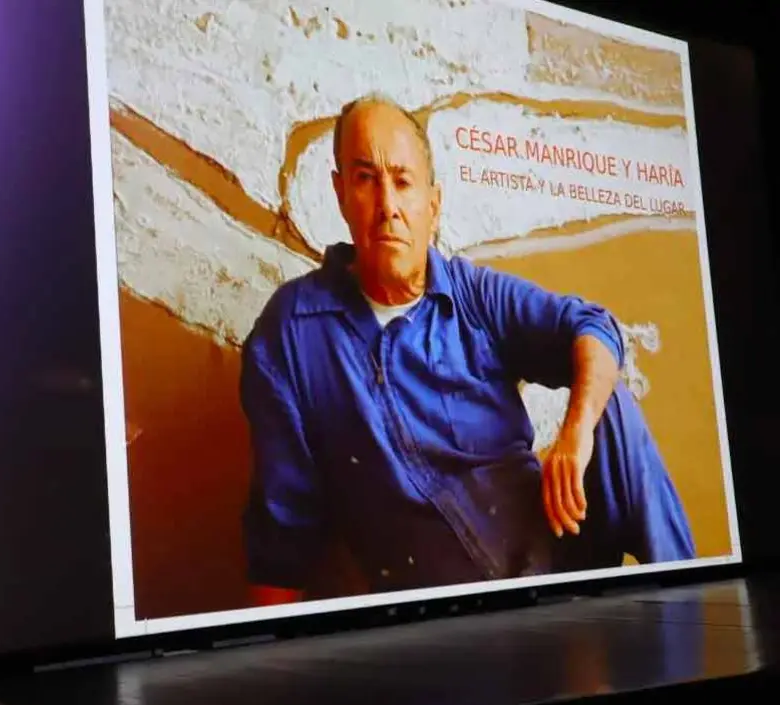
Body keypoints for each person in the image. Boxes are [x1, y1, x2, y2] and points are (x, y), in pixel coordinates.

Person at [240, 94, 695, 606]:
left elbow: (594, 326)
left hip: (556, 563)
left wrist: (575, 433)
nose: (388, 204)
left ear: (432, 206)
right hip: (458, 621)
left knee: (609, 407)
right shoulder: (291, 335)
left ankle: (692, 610)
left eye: (403, 181)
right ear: (341, 193)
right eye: (366, 178)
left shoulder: (474, 295)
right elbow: (281, 533)